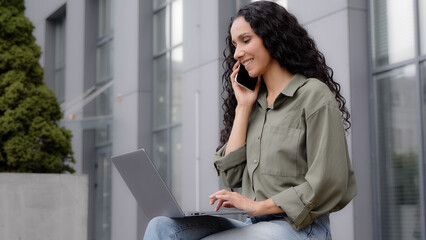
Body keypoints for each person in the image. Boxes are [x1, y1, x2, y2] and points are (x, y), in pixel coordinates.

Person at [143, 1, 357, 239]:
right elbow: (231, 176)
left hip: (300, 227)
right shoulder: (253, 105)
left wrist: (258, 206)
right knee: (161, 226)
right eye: (235, 45)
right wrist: (243, 107)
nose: (237, 53)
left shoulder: (312, 94)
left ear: (273, 37)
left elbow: (330, 182)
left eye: (245, 40)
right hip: (254, 225)